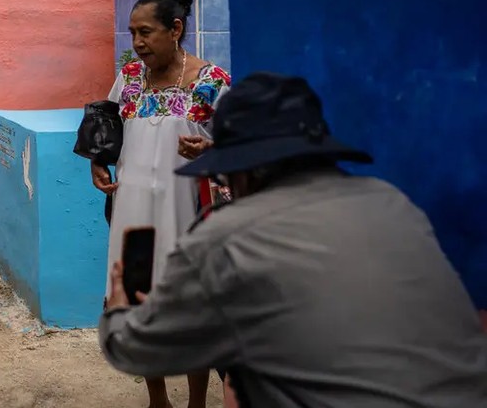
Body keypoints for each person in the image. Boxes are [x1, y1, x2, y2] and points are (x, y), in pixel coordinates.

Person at [100, 72, 487, 407]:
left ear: (244, 172)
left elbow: (137, 350)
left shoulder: (226, 236)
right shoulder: (392, 202)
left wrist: (120, 311)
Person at [90, 0, 231, 408]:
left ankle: (195, 403)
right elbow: (110, 132)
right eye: (133, 33)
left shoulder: (212, 83)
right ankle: (157, 400)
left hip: (188, 213)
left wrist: (209, 151)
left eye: (146, 32)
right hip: (134, 213)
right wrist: (97, 163)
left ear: (175, 29)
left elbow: (240, 148)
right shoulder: (130, 79)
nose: (137, 42)